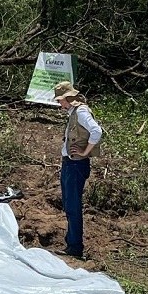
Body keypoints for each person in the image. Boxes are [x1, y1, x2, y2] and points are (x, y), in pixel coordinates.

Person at [53, 80, 103, 259]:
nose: (60, 104)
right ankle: (71, 243)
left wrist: (84, 152)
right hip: (70, 163)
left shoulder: (81, 112)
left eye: (60, 101)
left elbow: (97, 131)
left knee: (73, 206)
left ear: (68, 98)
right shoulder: (74, 112)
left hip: (76, 165)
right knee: (69, 204)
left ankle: (75, 247)